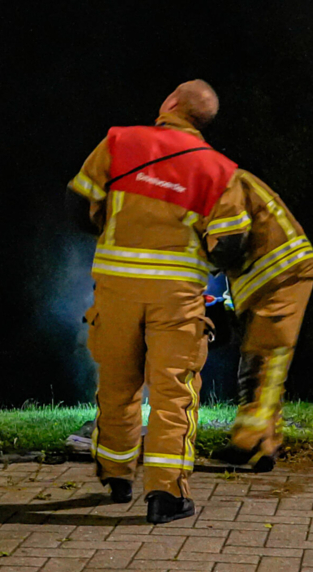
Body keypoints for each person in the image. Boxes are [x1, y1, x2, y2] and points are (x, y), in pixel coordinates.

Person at [67, 80, 250, 524]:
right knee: (174, 392)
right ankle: (166, 496)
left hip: (115, 290)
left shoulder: (119, 141)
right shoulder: (221, 171)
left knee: (116, 382)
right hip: (176, 299)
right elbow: (231, 245)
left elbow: (78, 207)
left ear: (170, 104)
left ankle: (115, 475)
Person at [210, 170, 313, 472]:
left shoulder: (216, 180)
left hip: (280, 275)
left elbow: (229, 243)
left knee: (263, 361)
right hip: (269, 277)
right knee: (259, 362)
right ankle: (266, 445)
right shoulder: (219, 177)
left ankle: (246, 441)